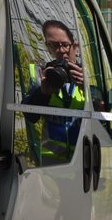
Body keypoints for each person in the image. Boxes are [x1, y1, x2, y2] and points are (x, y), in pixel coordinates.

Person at [22, 19, 86, 162]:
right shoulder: (41, 74)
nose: (61, 51)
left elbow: (105, 106)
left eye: (65, 45)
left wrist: (87, 87)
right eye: (54, 45)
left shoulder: (88, 74)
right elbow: (30, 116)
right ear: (48, 47)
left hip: (83, 158)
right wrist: (43, 92)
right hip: (51, 162)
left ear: (74, 46)